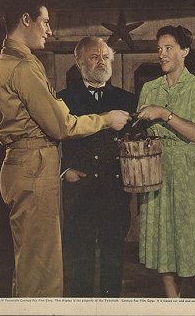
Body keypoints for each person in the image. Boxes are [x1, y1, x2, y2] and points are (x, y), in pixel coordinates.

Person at [0, 2, 130, 297]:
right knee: (43, 269)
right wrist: (105, 119)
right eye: (45, 22)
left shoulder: (6, 63)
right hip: (35, 168)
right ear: (26, 19)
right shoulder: (24, 66)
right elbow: (61, 125)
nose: (50, 30)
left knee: (31, 264)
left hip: (26, 167)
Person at [136, 25, 195, 298]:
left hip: (188, 172)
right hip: (155, 170)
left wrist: (164, 114)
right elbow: (140, 131)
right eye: (159, 49)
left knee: (194, 248)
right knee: (164, 249)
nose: (162, 54)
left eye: (169, 48)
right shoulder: (149, 88)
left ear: (185, 51)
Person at [58, 36, 137, 297]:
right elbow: (48, 141)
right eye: (94, 57)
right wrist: (63, 171)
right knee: (79, 260)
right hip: (79, 190)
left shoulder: (127, 99)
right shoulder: (62, 99)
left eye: (105, 56)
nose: (101, 62)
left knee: (113, 260)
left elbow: (138, 143)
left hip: (115, 191)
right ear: (79, 63)